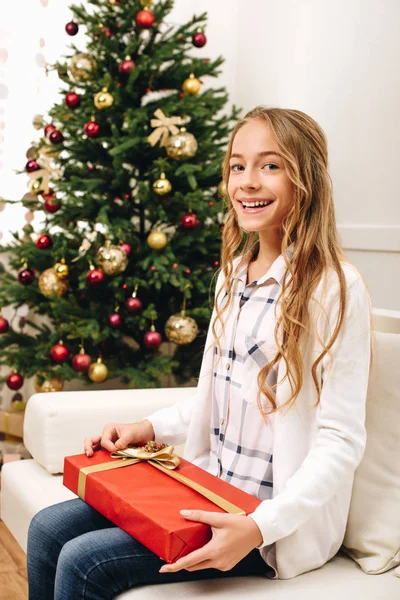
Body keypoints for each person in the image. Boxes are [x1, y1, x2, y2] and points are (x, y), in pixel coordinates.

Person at [27, 106, 371, 599]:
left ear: (307, 178)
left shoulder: (335, 288)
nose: (248, 182)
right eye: (238, 166)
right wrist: (149, 427)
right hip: (206, 485)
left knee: (85, 563)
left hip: (264, 522)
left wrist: (259, 527)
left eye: (270, 166)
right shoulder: (232, 275)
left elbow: (341, 440)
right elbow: (227, 395)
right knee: (46, 529)